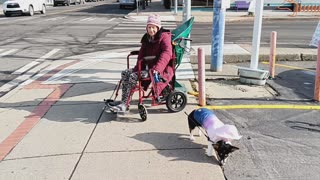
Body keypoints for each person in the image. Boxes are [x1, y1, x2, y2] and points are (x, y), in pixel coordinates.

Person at [108, 14, 174, 112]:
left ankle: (125, 104)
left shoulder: (164, 37)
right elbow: (141, 55)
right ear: (146, 28)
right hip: (148, 67)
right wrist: (136, 68)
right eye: (149, 27)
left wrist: (157, 69)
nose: (151, 30)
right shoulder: (146, 38)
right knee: (126, 73)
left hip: (159, 69)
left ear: (158, 27)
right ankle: (124, 102)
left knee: (133, 76)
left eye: (153, 27)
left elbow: (167, 53)